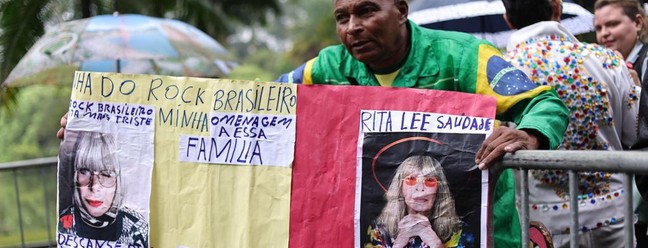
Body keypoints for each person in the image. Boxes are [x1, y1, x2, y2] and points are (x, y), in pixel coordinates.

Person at [275, 0, 570, 246]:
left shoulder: (463, 55)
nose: (352, 26)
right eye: (342, 17)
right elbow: (270, 103)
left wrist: (529, 133)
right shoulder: (327, 67)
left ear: (401, 11)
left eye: (366, 11)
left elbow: (543, 103)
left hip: (483, 232)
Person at [503, 0, 640, 247]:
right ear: (557, 8)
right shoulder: (606, 59)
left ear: (508, 19)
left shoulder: (501, 70)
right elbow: (635, 132)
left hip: (541, 226)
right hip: (611, 216)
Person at [594, 0, 648, 245]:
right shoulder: (605, 68)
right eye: (598, 27)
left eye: (612, 24)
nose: (604, 33)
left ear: (637, 22)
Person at [58, 131, 148, 247]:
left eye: (106, 174)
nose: (94, 187)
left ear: (119, 180)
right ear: (76, 175)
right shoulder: (66, 223)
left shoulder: (137, 227)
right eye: (84, 171)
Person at [365, 155, 461, 248]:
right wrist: (398, 244)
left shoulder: (457, 229)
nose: (420, 188)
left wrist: (436, 244)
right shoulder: (379, 230)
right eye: (411, 179)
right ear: (400, 187)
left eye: (430, 180)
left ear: (439, 189)